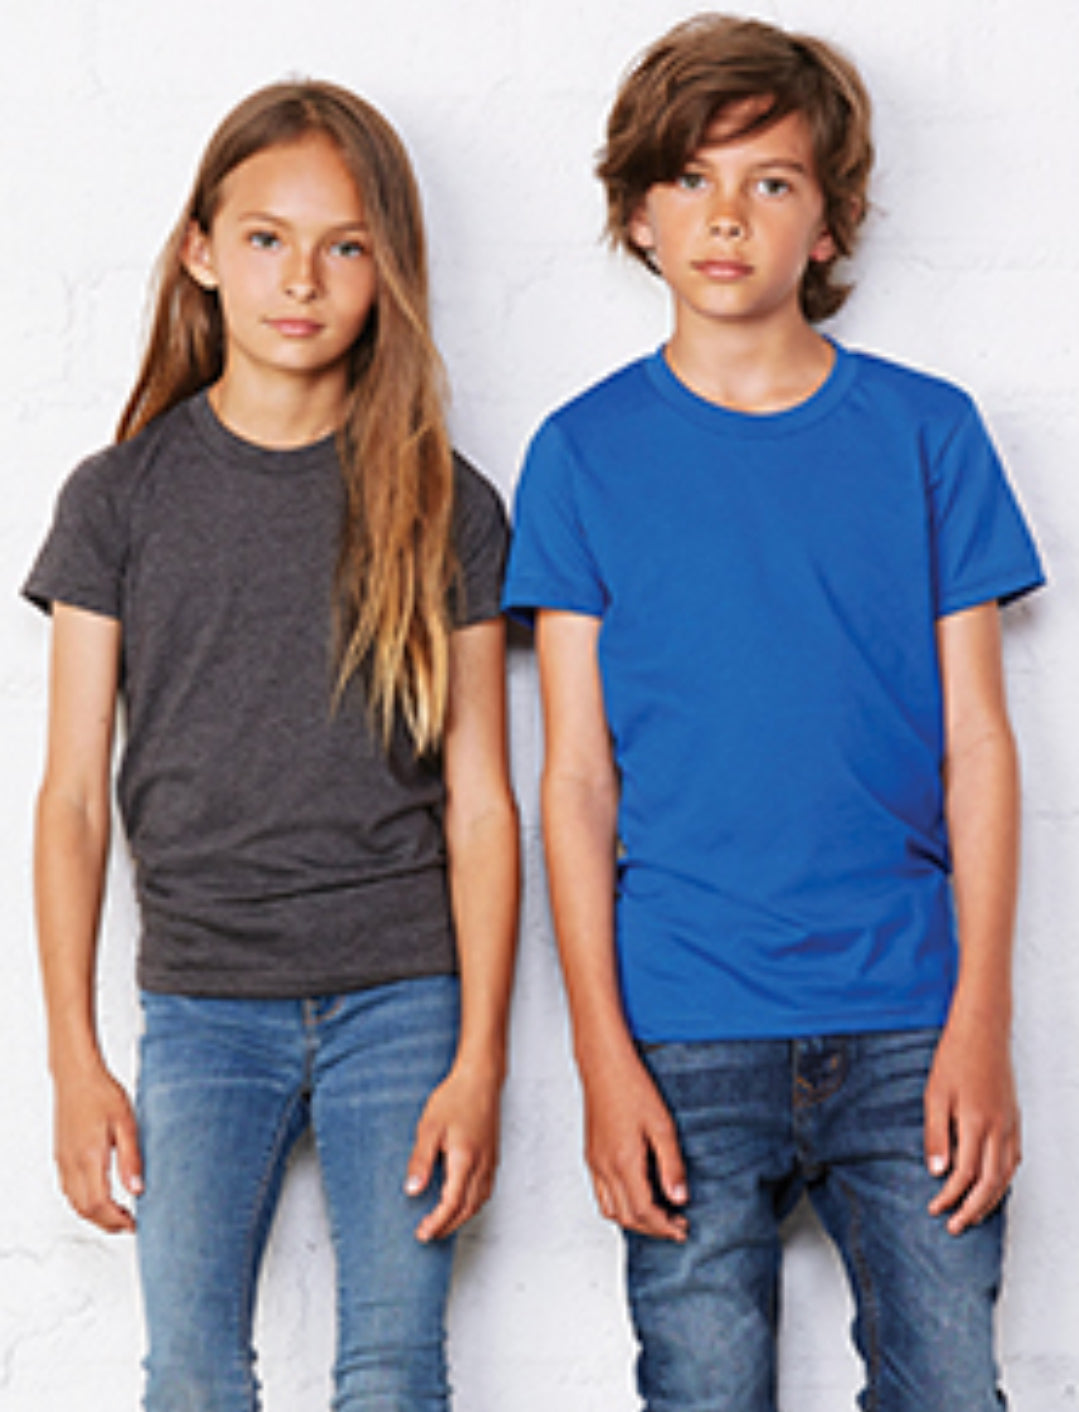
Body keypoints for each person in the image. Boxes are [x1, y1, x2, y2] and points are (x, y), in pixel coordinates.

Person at [503, 14, 1043, 1411]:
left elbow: (980, 744)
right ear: (638, 214)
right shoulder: (580, 454)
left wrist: (983, 1023)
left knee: (952, 1390)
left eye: (772, 181)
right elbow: (575, 784)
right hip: (684, 1024)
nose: (728, 216)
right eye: (690, 179)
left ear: (830, 218)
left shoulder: (929, 435)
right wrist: (601, 1056)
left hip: (909, 1017)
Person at [25, 80, 518, 1412]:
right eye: (265, 238)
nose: (302, 279)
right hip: (200, 1009)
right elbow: (71, 801)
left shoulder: (447, 502)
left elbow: (482, 804)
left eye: (344, 245)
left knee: (394, 1370)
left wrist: (480, 1059)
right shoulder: (119, 499)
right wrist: (74, 1058)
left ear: (387, 268)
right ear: (200, 251)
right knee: (190, 1372)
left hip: (403, 999)